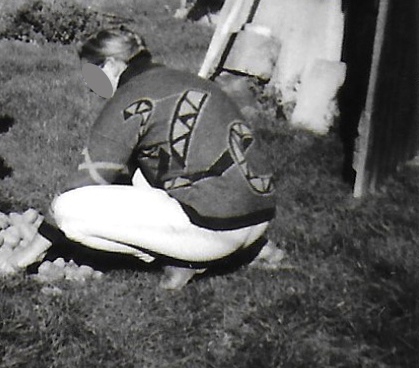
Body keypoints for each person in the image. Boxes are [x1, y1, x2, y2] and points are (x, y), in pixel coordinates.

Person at [49, 26, 280, 289]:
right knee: (137, 164)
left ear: (112, 64)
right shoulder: (183, 78)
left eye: (91, 74)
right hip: (259, 217)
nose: (90, 86)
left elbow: (88, 179)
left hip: (216, 230)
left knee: (67, 209)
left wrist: (31, 247)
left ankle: (185, 257)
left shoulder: (129, 96)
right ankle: (247, 250)